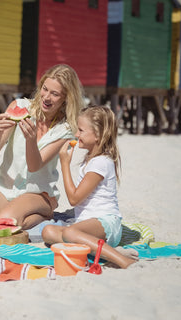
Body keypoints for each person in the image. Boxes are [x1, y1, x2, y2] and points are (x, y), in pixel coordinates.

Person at [0, 64, 84, 230]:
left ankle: (45, 213)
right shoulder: (20, 107)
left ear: (66, 98)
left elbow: (34, 166)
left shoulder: (66, 129)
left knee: (5, 222)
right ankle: (14, 210)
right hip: (3, 186)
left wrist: (31, 140)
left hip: (37, 192)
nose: (46, 97)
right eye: (45, 89)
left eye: (54, 94)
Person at [41, 105, 137, 268]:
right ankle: (98, 248)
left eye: (81, 130)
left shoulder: (100, 162)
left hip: (106, 224)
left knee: (70, 233)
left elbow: (74, 199)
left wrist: (64, 164)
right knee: (48, 232)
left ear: (98, 135)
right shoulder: (91, 159)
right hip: (88, 225)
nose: (76, 135)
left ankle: (122, 260)